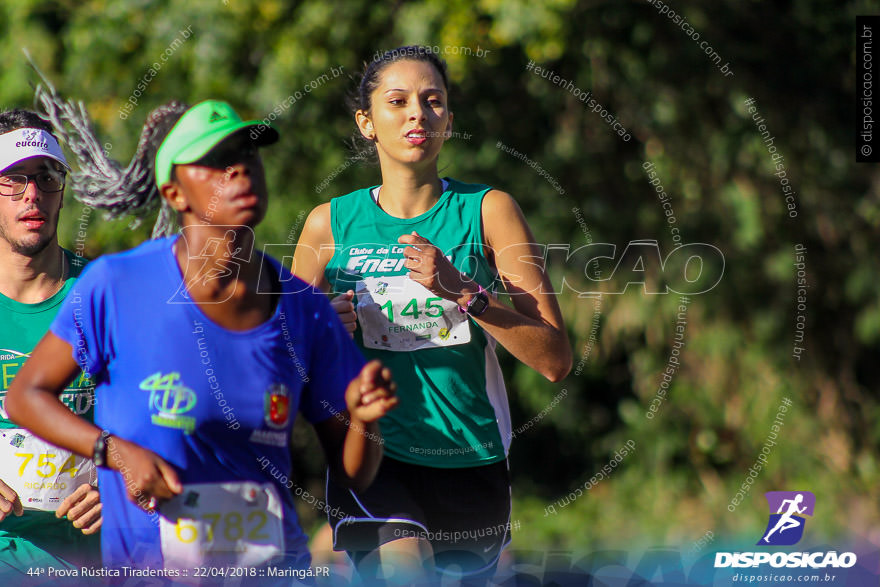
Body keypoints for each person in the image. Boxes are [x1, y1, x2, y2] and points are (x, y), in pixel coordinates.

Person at [6, 99, 398, 577]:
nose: (239, 171)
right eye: (215, 162)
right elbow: (26, 396)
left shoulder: (305, 308)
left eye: (248, 156)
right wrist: (113, 452)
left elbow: (356, 472)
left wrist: (364, 419)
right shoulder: (117, 285)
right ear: (174, 191)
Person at [294, 46, 572, 584]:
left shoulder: (489, 211)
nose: (418, 114)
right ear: (367, 123)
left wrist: (465, 291)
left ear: (449, 120)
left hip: (472, 458)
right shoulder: (328, 224)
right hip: (373, 454)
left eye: (433, 101)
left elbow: (555, 360)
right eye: (397, 102)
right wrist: (320, 329)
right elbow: (275, 357)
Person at [0, 108, 102, 576]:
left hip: (92, 561)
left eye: (46, 177)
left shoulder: (105, 294)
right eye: (13, 179)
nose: (32, 194)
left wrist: (118, 482)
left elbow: (165, 415)